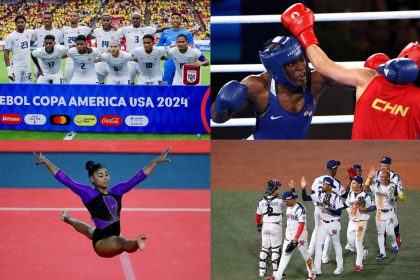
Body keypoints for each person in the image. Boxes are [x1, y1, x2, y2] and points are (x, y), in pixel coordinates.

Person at [281, 3, 420, 139]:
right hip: (401, 160)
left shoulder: (368, 77)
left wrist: (304, 32)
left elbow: (323, 65)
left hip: (360, 159)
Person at [33, 148, 170, 258]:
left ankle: (66, 218)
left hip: (100, 233)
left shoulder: (117, 191)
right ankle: (136, 243)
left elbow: (137, 178)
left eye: (107, 174)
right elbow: (65, 179)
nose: (105, 178)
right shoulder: (88, 194)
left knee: (88, 230)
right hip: (102, 244)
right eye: (100, 176)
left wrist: (155, 161)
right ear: (92, 179)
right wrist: (46, 161)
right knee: (120, 242)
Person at [211, 34, 342, 140]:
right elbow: (218, 119)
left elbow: (357, 83)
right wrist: (220, 105)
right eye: (291, 64)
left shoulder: (316, 81)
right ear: (276, 70)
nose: (301, 67)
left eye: (301, 59)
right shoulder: (258, 86)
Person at [302, 176, 347, 276]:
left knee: (336, 245)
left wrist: (329, 209)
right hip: (323, 223)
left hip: (333, 224)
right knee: (318, 245)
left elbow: (339, 212)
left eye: (325, 184)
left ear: (330, 187)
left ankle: (340, 267)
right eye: (323, 184)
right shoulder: (320, 194)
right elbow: (305, 198)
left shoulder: (336, 197)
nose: (323, 186)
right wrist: (303, 188)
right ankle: (317, 269)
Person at [268, 188, 315, 280]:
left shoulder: (300, 209)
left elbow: (301, 224)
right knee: (285, 256)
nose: (285, 203)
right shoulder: (289, 207)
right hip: (289, 236)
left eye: (286, 201)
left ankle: (312, 274)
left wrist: (296, 238)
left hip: (300, 236)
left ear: (291, 199)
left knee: (306, 256)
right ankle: (278, 276)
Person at [309, 160, 346, 263]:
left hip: (317, 209)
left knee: (317, 228)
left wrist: (318, 204)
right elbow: (345, 195)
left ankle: (310, 251)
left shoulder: (317, 179)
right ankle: (324, 257)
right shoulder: (336, 183)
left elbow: (312, 193)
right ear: (334, 169)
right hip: (329, 211)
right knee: (330, 231)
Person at [113, 12, 166, 84]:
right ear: (131, 20)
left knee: (145, 82)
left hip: (142, 60)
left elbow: (161, 29)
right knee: (129, 82)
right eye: (134, 18)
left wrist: (174, 27)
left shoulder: (147, 29)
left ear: (141, 20)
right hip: (130, 61)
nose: (135, 20)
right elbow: (114, 37)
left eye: (137, 18)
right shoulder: (124, 29)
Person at [365, 156, 405, 248]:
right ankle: (383, 243)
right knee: (381, 223)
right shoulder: (377, 173)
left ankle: (397, 235)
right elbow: (370, 186)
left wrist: (395, 197)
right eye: (381, 165)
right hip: (379, 201)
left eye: (384, 165)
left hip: (390, 203)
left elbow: (399, 191)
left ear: (389, 165)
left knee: (394, 221)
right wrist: (369, 178)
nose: (382, 167)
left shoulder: (395, 177)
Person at [365, 170, 399, 260]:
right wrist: (369, 178)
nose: (381, 178)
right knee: (380, 233)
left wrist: (393, 195)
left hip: (389, 213)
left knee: (390, 232)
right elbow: (366, 189)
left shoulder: (392, 186)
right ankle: (382, 252)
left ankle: (394, 245)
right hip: (379, 213)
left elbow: (392, 198)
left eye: (383, 177)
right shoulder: (377, 185)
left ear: (388, 178)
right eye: (380, 177)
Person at [255, 180, 285, 278]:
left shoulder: (261, 201)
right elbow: (290, 204)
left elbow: (258, 216)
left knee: (264, 249)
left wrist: (259, 226)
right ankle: (276, 273)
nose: (278, 191)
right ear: (274, 190)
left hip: (265, 227)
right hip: (275, 226)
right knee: (276, 250)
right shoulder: (280, 200)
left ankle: (261, 272)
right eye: (277, 189)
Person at [345, 176, 374, 271]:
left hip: (361, 222)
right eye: (352, 183)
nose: (352, 185)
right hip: (351, 221)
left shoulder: (366, 196)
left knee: (358, 242)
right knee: (350, 241)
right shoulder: (350, 194)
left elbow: (374, 207)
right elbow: (347, 204)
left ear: (360, 184)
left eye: (354, 183)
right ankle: (364, 252)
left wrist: (366, 209)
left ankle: (359, 264)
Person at [157, 12, 194, 85]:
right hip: (169, 64)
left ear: (181, 20)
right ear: (170, 20)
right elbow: (159, 46)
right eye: (173, 18)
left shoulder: (187, 33)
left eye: (177, 18)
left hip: (183, 65)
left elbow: (192, 47)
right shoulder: (165, 32)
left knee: (183, 88)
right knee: (166, 87)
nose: (175, 20)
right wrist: (168, 48)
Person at [61, 11, 92, 83]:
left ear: (78, 18)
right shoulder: (63, 30)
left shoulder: (85, 29)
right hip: (69, 59)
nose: (72, 17)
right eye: (71, 16)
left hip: (82, 58)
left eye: (74, 16)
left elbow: (94, 34)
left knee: (84, 80)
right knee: (67, 80)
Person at [4, 15, 33, 83]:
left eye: (22, 22)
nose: (20, 24)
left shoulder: (29, 33)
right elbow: (6, 53)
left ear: (25, 23)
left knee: (28, 88)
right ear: (15, 24)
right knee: (14, 89)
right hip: (16, 67)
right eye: (18, 22)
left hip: (27, 66)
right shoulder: (11, 36)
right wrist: (9, 70)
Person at [91, 13, 118, 84]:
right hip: (100, 61)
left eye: (108, 20)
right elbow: (87, 35)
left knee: (112, 85)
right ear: (101, 21)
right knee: (99, 85)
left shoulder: (116, 31)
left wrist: (117, 29)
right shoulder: (97, 31)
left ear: (111, 21)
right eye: (104, 20)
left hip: (111, 61)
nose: (106, 22)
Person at [344, 164, 363, 253]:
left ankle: (360, 250)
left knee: (357, 233)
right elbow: (347, 190)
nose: (358, 173)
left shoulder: (360, 183)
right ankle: (353, 245)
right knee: (350, 235)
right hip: (351, 207)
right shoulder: (352, 183)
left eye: (359, 171)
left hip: (359, 211)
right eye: (356, 171)